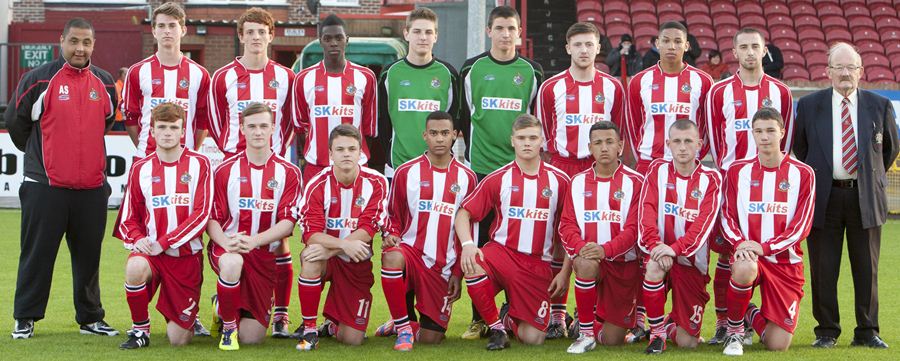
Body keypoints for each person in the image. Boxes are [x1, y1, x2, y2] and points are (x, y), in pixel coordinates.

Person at [6, 17, 119, 339]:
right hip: (45, 187)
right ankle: (25, 317)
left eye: (86, 42)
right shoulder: (38, 79)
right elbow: (16, 123)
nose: (80, 48)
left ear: (93, 45)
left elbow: (106, 122)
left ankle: (91, 318)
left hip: (92, 189)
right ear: (62, 40)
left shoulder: (106, 82)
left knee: (89, 259)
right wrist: (40, 158)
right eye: (74, 41)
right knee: (37, 255)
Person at [794, 42, 898, 349]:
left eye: (850, 67)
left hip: (864, 197)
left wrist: (866, 177)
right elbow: (803, 148)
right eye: (838, 67)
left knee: (867, 268)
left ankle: (867, 331)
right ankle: (826, 331)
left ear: (861, 72)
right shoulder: (810, 105)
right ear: (827, 72)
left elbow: (889, 149)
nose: (844, 73)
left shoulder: (879, 105)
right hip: (824, 197)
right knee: (824, 269)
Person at [208, 7, 297, 337]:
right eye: (250, 32)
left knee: (279, 243)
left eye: (262, 32)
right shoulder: (224, 77)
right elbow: (218, 123)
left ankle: (281, 315)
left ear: (271, 36)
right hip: (234, 165)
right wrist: (236, 152)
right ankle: (226, 298)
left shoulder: (286, 77)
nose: (256, 37)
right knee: (233, 238)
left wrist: (271, 153)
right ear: (241, 36)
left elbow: (288, 122)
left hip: (272, 167)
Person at [458, 5, 544, 339]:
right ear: (488, 31)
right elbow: (466, 118)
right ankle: (481, 317)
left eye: (511, 28)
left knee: (518, 243)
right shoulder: (471, 68)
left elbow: (533, 121)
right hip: (482, 169)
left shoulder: (532, 71)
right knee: (481, 245)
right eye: (500, 28)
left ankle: (514, 310)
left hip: (520, 173)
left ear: (519, 33)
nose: (506, 34)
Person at [705, 27, 793, 345]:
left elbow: (788, 138)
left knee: (764, 254)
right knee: (728, 258)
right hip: (732, 189)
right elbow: (715, 143)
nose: (750, 52)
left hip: (769, 189)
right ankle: (723, 322)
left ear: (764, 49)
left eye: (755, 46)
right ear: (735, 52)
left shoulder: (781, 92)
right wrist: (731, 179)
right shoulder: (719, 92)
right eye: (744, 47)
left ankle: (750, 315)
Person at [536, 22, 625, 338]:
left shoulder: (613, 87)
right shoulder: (551, 88)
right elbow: (545, 135)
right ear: (567, 48)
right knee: (559, 241)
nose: (584, 50)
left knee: (599, 234)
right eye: (578, 45)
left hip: (598, 170)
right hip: (562, 168)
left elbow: (618, 133)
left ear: (599, 48)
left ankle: (586, 313)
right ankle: (557, 317)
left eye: (590, 44)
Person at [455, 114, 571, 350]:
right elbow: (463, 214)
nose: (527, 143)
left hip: (537, 264)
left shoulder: (560, 181)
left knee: (534, 338)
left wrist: (565, 273)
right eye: (521, 138)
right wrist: (468, 245)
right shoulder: (498, 178)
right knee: (473, 264)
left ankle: (508, 316)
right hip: (502, 254)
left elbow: (569, 231)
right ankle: (497, 328)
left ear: (542, 141)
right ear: (512, 141)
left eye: (532, 137)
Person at [115, 102, 212, 349]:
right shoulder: (140, 168)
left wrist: (164, 242)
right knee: (135, 266)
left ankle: (216, 307)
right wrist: (138, 240)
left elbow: (201, 215)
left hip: (186, 259)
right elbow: (128, 219)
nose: (168, 132)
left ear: (182, 132)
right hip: (152, 256)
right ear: (153, 131)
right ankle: (139, 330)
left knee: (179, 340)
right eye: (162, 127)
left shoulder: (200, 164)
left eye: (173, 127)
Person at [719, 107, 816, 355]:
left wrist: (765, 247)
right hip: (749, 256)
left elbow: (801, 226)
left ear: (782, 132)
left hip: (785, 263)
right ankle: (734, 332)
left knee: (777, 344)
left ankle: (748, 312)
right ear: (752, 133)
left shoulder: (803, 173)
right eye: (758, 131)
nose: (764, 137)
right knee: (743, 267)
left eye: (770, 131)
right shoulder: (737, 171)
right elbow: (727, 215)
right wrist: (741, 244)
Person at [375, 111, 476, 351]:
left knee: (432, 339)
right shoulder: (405, 172)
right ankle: (403, 327)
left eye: (444, 133)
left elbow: (468, 231)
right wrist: (390, 235)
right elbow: (392, 215)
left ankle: (403, 323)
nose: (439, 139)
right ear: (425, 136)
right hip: (411, 253)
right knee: (392, 256)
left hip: (442, 265)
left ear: (454, 135)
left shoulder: (468, 177)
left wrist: (457, 274)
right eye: (433, 133)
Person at [207, 103, 302, 350]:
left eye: (263, 126)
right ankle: (228, 328)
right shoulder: (225, 170)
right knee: (232, 263)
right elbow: (212, 218)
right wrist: (226, 242)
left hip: (263, 255)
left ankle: (221, 305)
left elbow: (288, 222)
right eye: (252, 126)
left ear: (273, 128)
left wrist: (255, 240)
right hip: (229, 247)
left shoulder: (288, 172)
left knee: (252, 337)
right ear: (242, 129)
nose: (258, 132)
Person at [294, 124, 389, 350]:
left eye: (351, 149)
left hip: (356, 261)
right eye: (340, 149)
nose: (346, 154)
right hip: (328, 258)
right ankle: (309, 330)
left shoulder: (376, 183)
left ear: (361, 153)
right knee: (310, 257)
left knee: (352, 339)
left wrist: (335, 248)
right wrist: (344, 245)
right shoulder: (316, 184)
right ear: (330, 154)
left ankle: (332, 325)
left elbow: (368, 230)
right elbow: (311, 234)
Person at [558, 121, 643, 354]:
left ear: (620, 146)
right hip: (591, 260)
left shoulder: (636, 182)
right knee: (584, 263)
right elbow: (566, 225)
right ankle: (585, 334)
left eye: (609, 142)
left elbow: (634, 229)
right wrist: (583, 248)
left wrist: (606, 249)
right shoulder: (577, 182)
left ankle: (583, 322)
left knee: (612, 339)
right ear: (590, 147)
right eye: (598, 143)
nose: (604, 147)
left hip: (623, 265)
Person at [638, 120, 722, 354]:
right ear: (668, 144)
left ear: (699, 144)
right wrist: (656, 246)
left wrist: (673, 249)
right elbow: (646, 212)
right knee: (653, 266)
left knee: (688, 342)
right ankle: (656, 335)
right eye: (676, 141)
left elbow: (702, 227)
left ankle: (668, 324)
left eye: (688, 141)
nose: (682, 147)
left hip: (691, 263)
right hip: (660, 254)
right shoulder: (657, 170)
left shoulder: (712, 179)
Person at [294, 14, 377, 183]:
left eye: (338, 37)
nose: (333, 42)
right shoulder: (303, 78)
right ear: (320, 41)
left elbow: (368, 129)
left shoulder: (366, 77)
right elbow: (300, 127)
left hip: (356, 166)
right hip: (317, 167)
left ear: (347, 40)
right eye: (328, 38)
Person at [122, 2, 210, 159]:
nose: (167, 31)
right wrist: (145, 146)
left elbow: (203, 120)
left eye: (172, 25)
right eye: (161, 26)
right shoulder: (137, 71)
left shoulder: (200, 74)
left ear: (183, 30)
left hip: (185, 158)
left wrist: (191, 149)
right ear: (154, 31)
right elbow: (130, 118)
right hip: (146, 157)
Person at [377, 8, 459, 177]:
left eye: (428, 32)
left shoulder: (448, 74)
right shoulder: (390, 74)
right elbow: (382, 122)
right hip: (397, 167)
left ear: (436, 36)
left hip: (437, 168)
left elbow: (454, 121)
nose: (423, 37)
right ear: (406, 34)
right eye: (417, 31)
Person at [626, 21, 713, 174]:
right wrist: (643, 156)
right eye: (666, 41)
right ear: (657, 44)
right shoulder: (639, 81)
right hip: (649, 163)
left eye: (678, 41)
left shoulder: (703, 81)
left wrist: (697, 154)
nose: (672, 46)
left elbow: (708, 126)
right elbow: (633, 125)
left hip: (689, 164)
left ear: (687, 46)